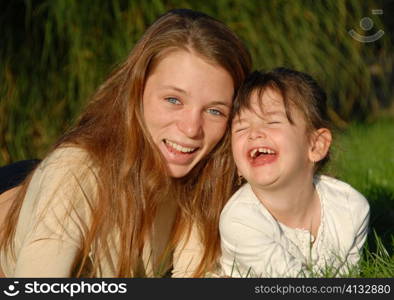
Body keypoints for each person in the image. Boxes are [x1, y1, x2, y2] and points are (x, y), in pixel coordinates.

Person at [0, 8, 252, 277]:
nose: (191, 129)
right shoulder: (74, 173)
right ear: (136, 90)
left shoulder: (206, 177)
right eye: (173, 100)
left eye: (215, 111)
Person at [219, 68, 370, 277]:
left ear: (316, 145)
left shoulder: (350, 209)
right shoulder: (240, 221)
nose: (254, 134)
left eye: (272, 122)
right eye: (241, 128)